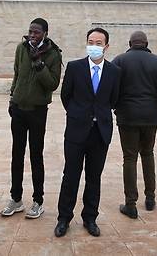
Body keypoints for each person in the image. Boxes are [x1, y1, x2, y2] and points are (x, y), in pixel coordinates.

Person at [55, 28, 120, 238]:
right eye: (91, 41)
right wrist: (78, 114)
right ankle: (64, 218)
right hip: (76, 131)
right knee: (70, 176)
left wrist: (98, 115)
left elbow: (114, 99)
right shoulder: (74, 67)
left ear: (106, 47)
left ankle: (90, 218)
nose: (94, 46)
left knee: (94, 177)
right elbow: (66, 96)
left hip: (100, 133)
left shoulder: (114, 71)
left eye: (99, 43)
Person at [0, 18, 62, 219]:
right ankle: (16, 199)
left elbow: (52, 84)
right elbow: (17, 73)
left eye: (37, 32)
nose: (33, 35)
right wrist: (12, 98)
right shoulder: (21, 48)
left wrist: (39, 64)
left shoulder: (53, 54)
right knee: (16, 154)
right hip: (18, 109)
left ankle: (38, 201)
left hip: (37, 111)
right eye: (30, 31)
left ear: (45, 33)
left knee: (36, 155)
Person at [112, 31, 157, 219]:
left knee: (129, 158)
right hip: (149, 116)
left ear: (130, 43)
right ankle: (150, 198)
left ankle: (131, 203)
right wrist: (155, 104)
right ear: (146, 44)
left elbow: (111, 89)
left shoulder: (119, 60)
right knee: (148, 154)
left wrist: (118, 106)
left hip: (127, 117)